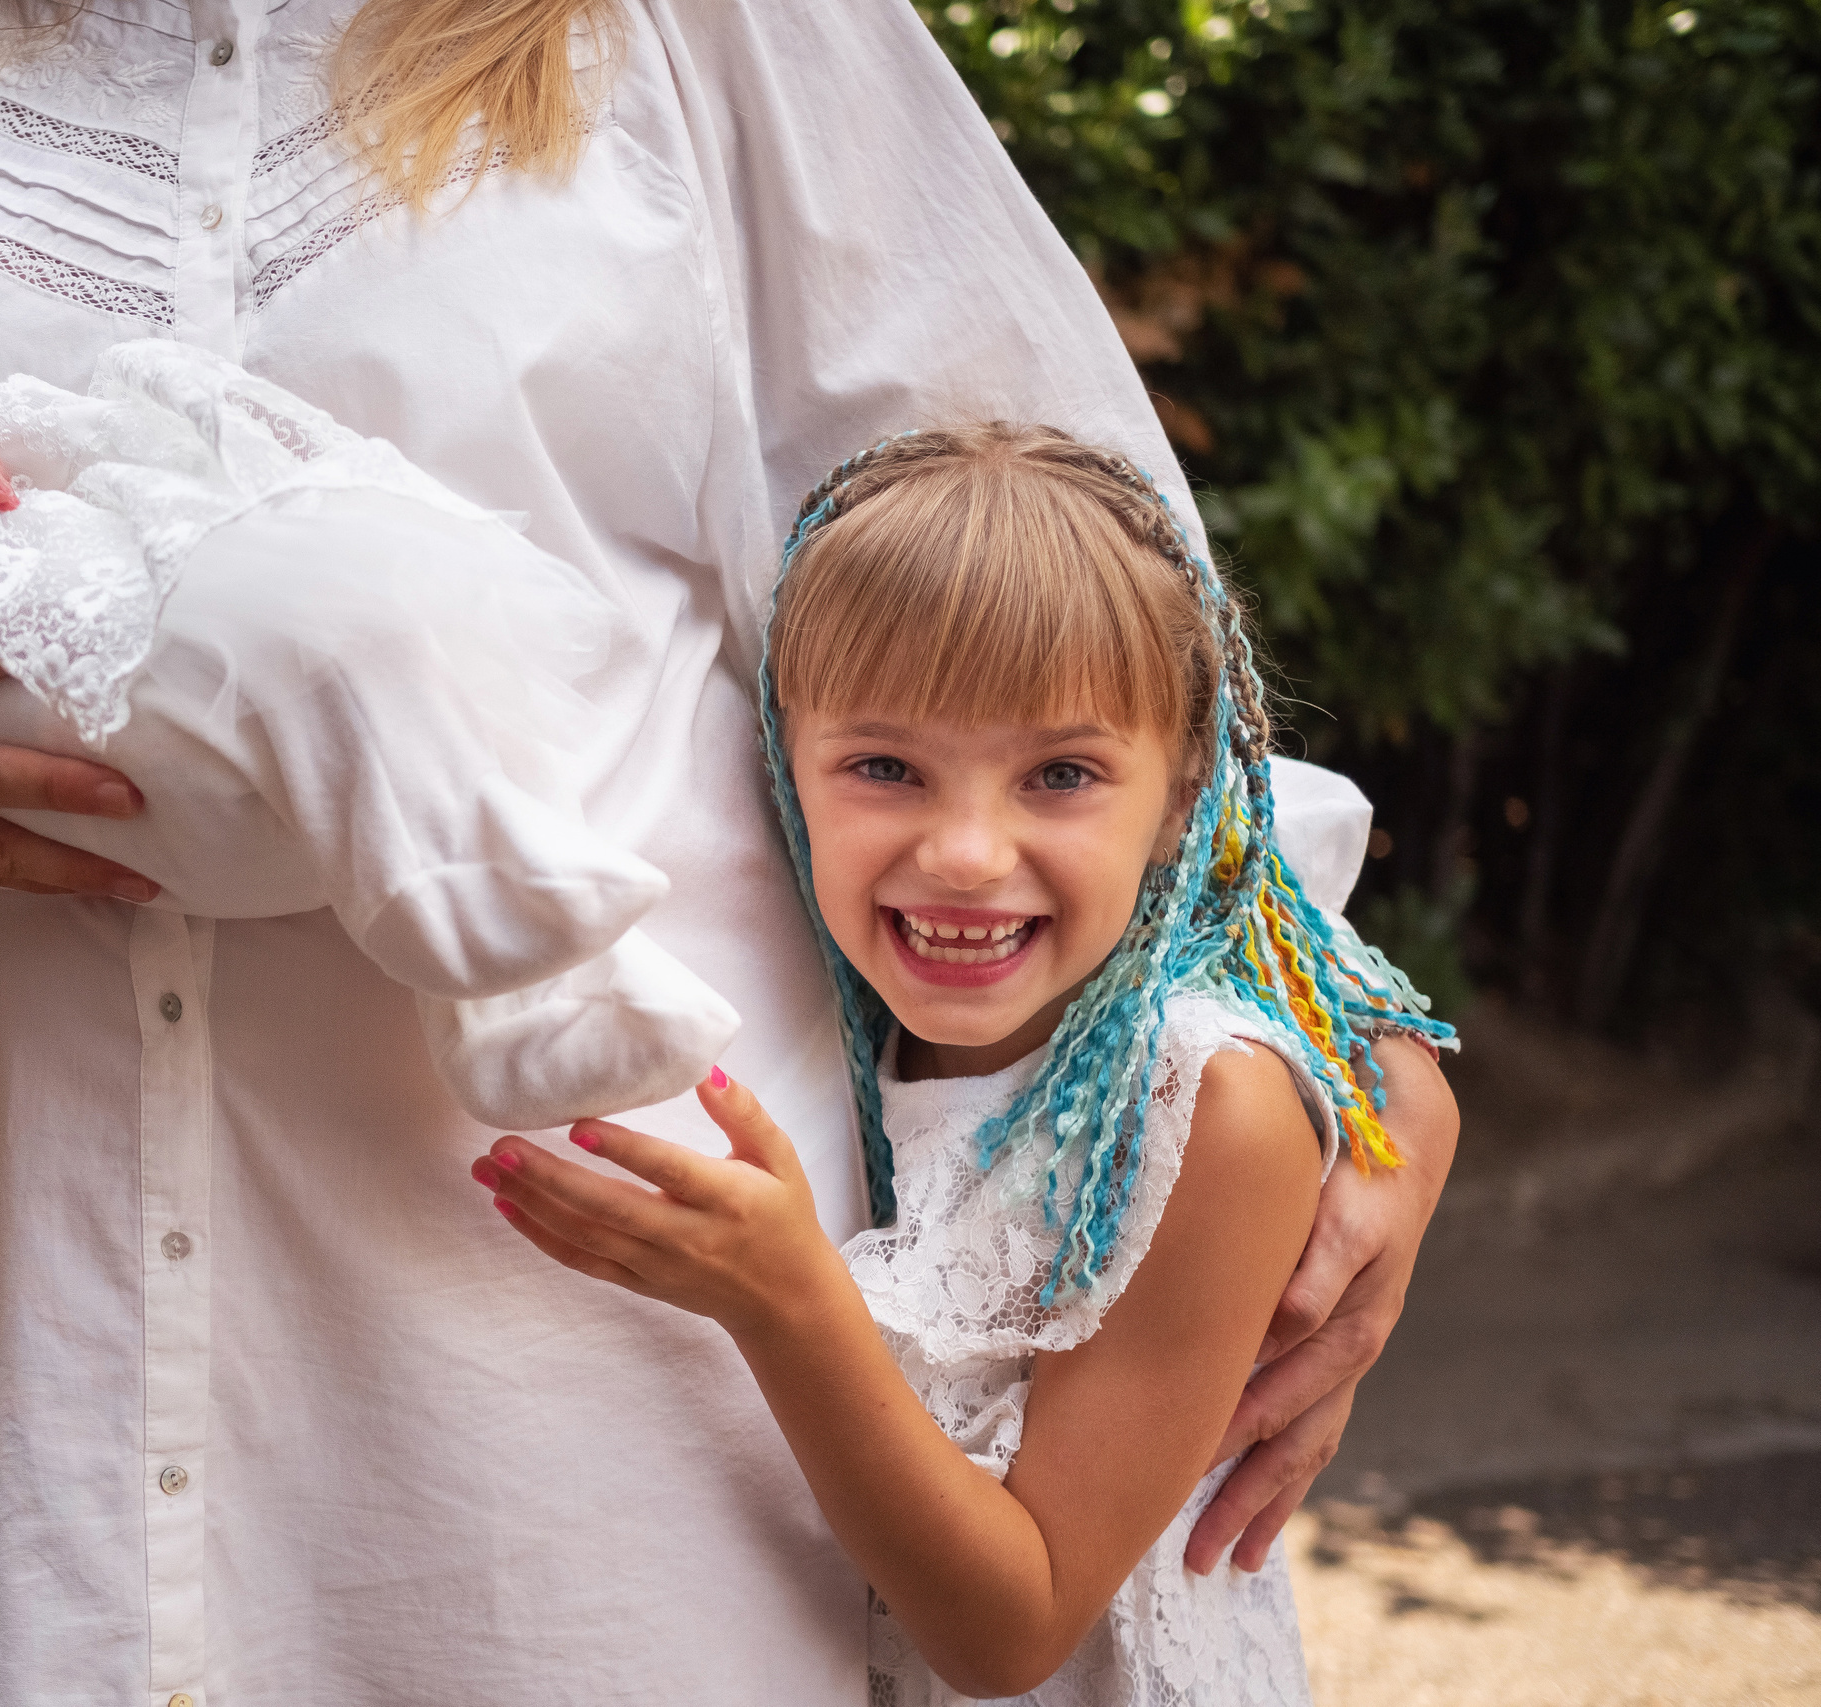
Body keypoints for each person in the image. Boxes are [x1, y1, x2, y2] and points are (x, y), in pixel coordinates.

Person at [0, 0, 1461, 1699]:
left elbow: (1086, 622)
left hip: (597, 1393)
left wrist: (1343, 1047)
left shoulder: (719, 31)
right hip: (19, 1359)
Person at [473, 424, 1455, 1705]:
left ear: (1182, 796)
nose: (967, 854)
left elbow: (1011, 1632)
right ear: (784, 770)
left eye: (1060, 775)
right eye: (885, 767)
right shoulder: (866, 1034)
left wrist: (783, 1300)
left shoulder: (1210, 1102)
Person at [0, 341, 738, 1128]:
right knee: (334, 643)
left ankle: (537, 1002)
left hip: (186, 745)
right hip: (132, 744)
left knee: (399, 656)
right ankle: (463, 917)